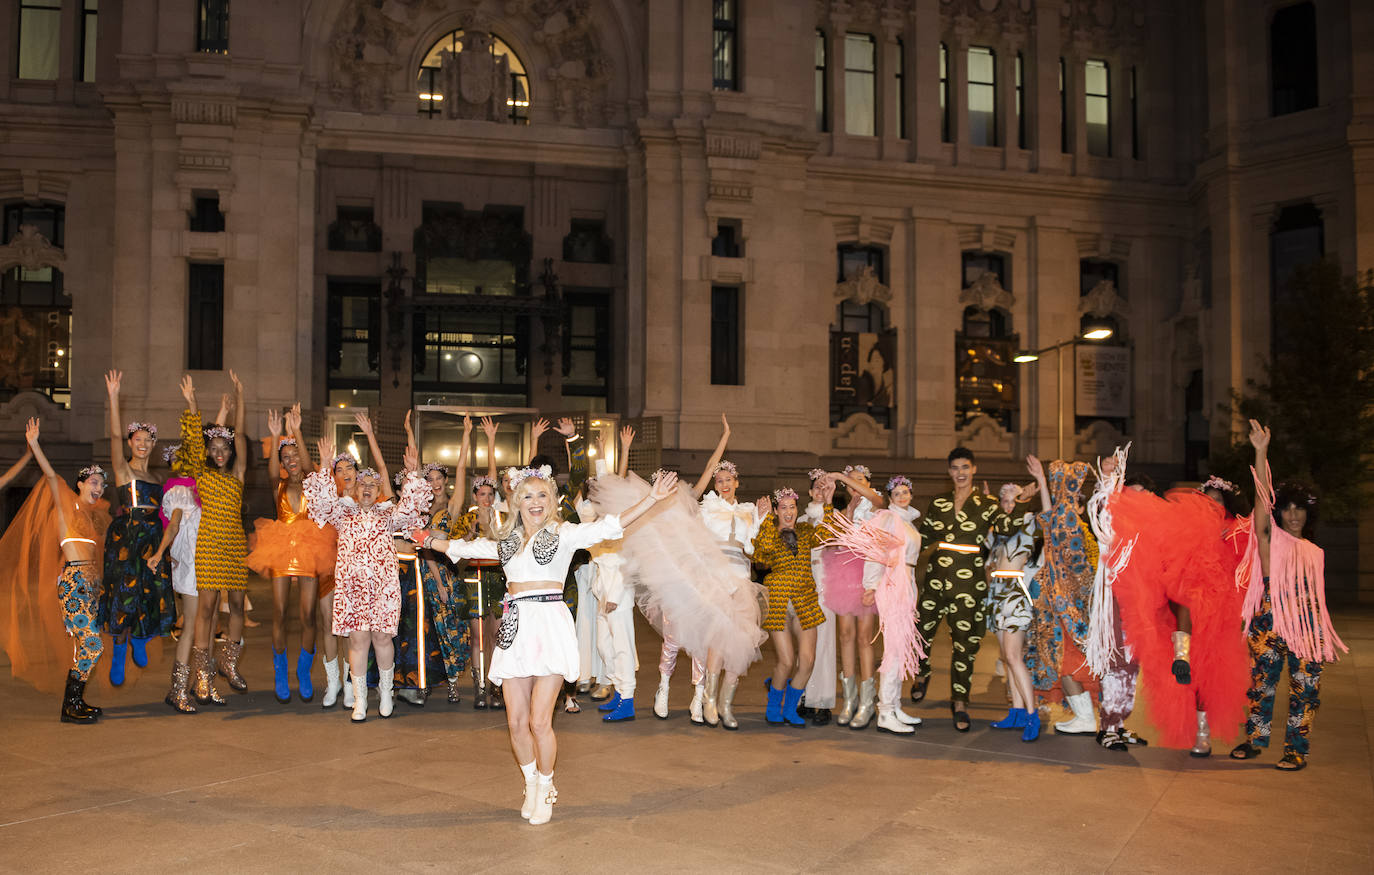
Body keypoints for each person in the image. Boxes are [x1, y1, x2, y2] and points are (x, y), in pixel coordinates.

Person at [418, 465, 678, 824]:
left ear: (553, 501)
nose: (535, 502)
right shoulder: (506, 542)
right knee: (516, 723)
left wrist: (651, 499)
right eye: (527, 496)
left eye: (542, 495)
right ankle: (531, 784)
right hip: (515, 631)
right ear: (516, 502)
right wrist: (427, 539)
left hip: (551, 628)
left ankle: (547, 785)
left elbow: (609, 526)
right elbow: (462, 546)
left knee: (541, 722)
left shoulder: (564, 533)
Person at [1230, 420, 1347, 771]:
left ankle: (1297, 750)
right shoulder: (1272, 542)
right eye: (1287, 508)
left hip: (1307, 628)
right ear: (1280, 512)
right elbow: (1261, 513)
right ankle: (1254, 741)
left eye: (1300, 508)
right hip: (1269, 621)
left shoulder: (1314, 551)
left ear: (1309, 513)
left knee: (1305, 689)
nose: (1293, 514)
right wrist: (1261, 451)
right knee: (1262, 686)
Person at [306, 437, 430, 722]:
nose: (367, 490)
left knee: (383, 639)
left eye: (373, 486)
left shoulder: (388, 515)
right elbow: (321, 503)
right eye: (362, 485)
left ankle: (386, 694)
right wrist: (326, 465)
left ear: (378, 492)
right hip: (352, 588)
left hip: (384, 588)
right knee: (358, 641)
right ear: (355, 489)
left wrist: (412, 473)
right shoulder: (343, 513)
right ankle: (359, 700)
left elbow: (412, 510)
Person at [914, 447, 1033, 731]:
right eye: (955, 468)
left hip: (969, 583)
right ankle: (922, 673)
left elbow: (1007, 525)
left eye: (965, 467)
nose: (960, 473)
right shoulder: (939, 502)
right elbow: (922, 537)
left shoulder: (987, 503)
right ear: (949, 471)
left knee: (965, 645)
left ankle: (959, 703)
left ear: (974, 469)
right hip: (936, 578)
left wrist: (1022, 500)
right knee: (920, 634)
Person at [246, 405, 336, 704]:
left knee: (308, 615)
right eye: (286, 458)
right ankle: (280, 670)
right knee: (281, 613)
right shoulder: (279, 484)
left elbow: (312, 467)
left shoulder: (312, 481)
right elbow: (271, 470)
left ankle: (304, 671)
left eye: (294, 455)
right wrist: (275, 436)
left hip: (311, 548)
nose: (291, 461)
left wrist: (295, 430)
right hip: (282, 547)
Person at [22, 419, 111, 723]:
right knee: (93, 644)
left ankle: (75, 703)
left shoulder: (95, 516)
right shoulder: (66, 506)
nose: (99, 488)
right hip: (74, 584)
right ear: (81, 484)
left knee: (85, 647)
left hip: (91, 585)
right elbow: (49, 475)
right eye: (94, 482)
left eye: (102, 484)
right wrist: (34, 444)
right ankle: (70, 704)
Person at [98, 370, 174, 686]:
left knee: (149, 592)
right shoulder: (122, 469)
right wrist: (114, 397)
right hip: (126, 535)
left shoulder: (158, 479)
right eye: (137, 439)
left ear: (154, 444)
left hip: (152, 536)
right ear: (131, 442)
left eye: (147, 440)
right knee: (123, 593)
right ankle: (119, 648)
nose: (142, 444)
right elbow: (114, 438)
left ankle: (139, 639)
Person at [178, 373, 251, 703]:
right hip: (208, 544)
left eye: (225, 448)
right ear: (209, 452)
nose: (220, 452)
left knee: (236, 605)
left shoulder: (238, 474)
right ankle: (203, 678)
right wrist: (193, 404)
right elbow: (193, 444)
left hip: (235, 545)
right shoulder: (202, 474)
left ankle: (229, 663)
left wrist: (240, 397)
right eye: (215, 448)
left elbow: (242, 439)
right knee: (206, 611)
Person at [1024, 455, 1103, 736]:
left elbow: (1076, 570)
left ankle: (1085, 718)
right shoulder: (1066, 520)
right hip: (1068, 608)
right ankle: (1083, 716)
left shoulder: (1070, 525)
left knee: (1068, 664)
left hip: (1068, 610)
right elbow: (1049, 524)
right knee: (1065, 663)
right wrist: (1042, 482)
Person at [396, 411, 472, 705]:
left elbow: (463, 467)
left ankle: (452, 682)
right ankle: (424, 680)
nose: (435, 482)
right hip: (421, 576)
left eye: (439, 477)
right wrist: (408, 431)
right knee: (425, 633)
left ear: (445, 480)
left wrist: (466, 436)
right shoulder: (420, 509)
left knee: (451, 629)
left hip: (446, 576)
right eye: (430, 478)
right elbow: (411, 467)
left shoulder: (452, 507)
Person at [753, 481, 835, 727]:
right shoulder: (769, 531)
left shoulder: (806, 532)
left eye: (792, 507)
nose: (788, 511)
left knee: (807, 661)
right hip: (778, 601)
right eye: (783, 507)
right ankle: (772, 706)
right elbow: (761, 556)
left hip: (805, 600)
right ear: (777, 510)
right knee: (787, 661)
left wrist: (829, 504)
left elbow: (828, 535)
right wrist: (766, 520)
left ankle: (790, 707)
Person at [579, 426, 637, 721]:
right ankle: (617, 690)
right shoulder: (600, 517)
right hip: (602, 588)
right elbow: (601, 476)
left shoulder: (622, 519)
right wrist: (601, 450)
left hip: (619, 592)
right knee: (604, 644)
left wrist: (614, 596)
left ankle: (627, 699)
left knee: (622, 645)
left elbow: (630, 562)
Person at [823, 467, 886, 730]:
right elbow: (835, 543)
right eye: (852, 481)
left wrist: (839, 476)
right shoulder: (845, 509)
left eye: (861, 480)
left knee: (864, 637)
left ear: (869, 483)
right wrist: (847, 510)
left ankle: (867, 702)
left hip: (868, 574)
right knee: (845, 635)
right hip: (844, 573)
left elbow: (876, 500)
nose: (855, 484)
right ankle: (849, 699)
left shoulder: (876, 505)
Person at [146, 442, 202, 712]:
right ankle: (177, 689)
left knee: (203, 624)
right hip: (190, 563)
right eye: (177, 459)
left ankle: (199, 683)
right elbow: (175, 524)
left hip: (203, 561)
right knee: (191, 625)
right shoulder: (178, 491)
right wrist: (159, 553)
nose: (183, 463)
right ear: (171, 464)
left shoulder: (197, 488)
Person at [985, 480, 1041, 741]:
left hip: (1015, 595)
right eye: (1004, 501)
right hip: (996, 595)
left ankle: (1032, 714)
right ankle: (1017, 712)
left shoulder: (1027, 522)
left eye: (1013, 500)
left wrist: (1036, 487)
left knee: (1013, 655)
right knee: (1007, 658)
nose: (1009, 505)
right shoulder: (996, 529)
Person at [795, 469, 837, 726]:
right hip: (802, 585)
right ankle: (803, 696)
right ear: (810, 492)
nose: (821, 491)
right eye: (817, 487)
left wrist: (830, 505)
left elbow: (831, 540)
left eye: (826, 487)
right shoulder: (798, 520)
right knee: (805, 645)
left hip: (826, 583)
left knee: (825, 643)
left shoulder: (834, 517)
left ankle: (822, 701)